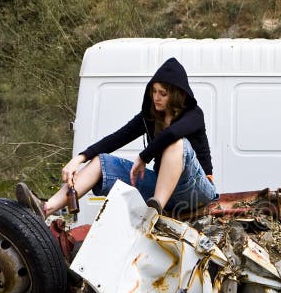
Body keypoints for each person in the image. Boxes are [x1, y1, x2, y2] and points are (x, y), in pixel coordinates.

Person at [16, 57, 217, 218]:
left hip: (196, 190)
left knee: (176, 143)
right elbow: (116, 138)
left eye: (163, 93)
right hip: (163, 189)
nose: (156, 97)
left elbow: (172, 134)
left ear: (175, 94)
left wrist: (143, 157)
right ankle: (45, 209)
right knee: (101, 161)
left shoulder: (193, 114)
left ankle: (154, 215)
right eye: (154, 91)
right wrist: (79, 158)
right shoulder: (149, 117)